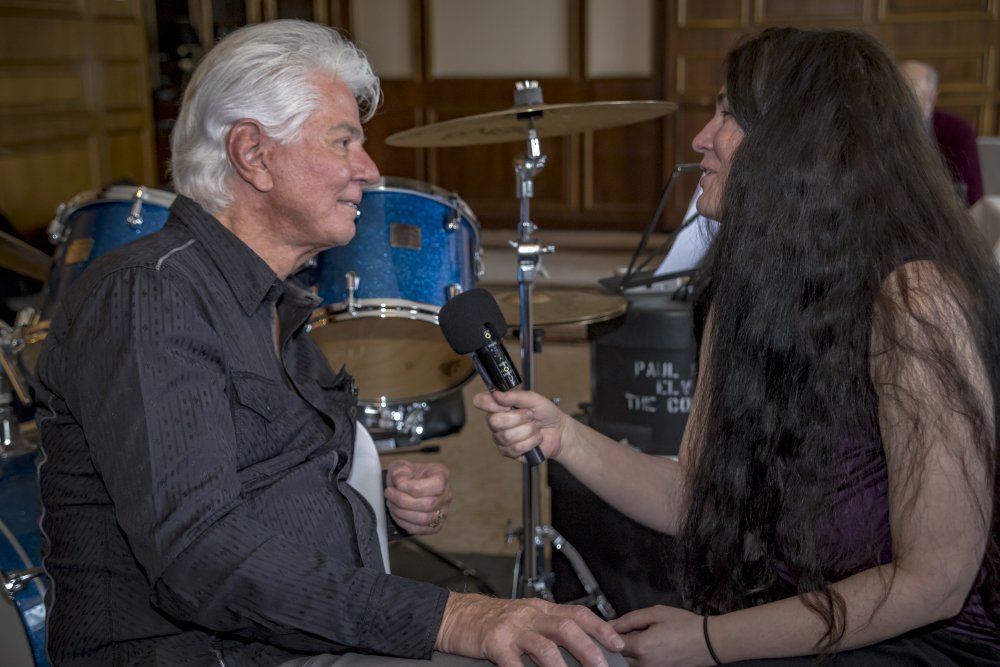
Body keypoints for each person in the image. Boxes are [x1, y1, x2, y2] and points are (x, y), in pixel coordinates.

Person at [32, 20, 625, 667]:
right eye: (344, 141)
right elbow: (199, 555)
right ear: (253, 154)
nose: (368, 170)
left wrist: (378, 501)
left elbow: (258, 483)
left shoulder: (274, 299)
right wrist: (451, 614)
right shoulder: (149, 294)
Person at [476, 28, 1000, 666]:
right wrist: (563, 436)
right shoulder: (742, 293)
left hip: (921, 644)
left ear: (797, 140)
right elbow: (697, 498)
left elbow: (936, 581)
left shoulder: (914, 299)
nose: (701, 138)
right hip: (792, 618)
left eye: (727, 114)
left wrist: (709, 640)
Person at [899, 59, 983, 206]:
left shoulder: (957, 131)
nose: (901, 102)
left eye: (911, 94)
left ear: (932, 98)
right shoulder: (875, 127)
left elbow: (970, 195)